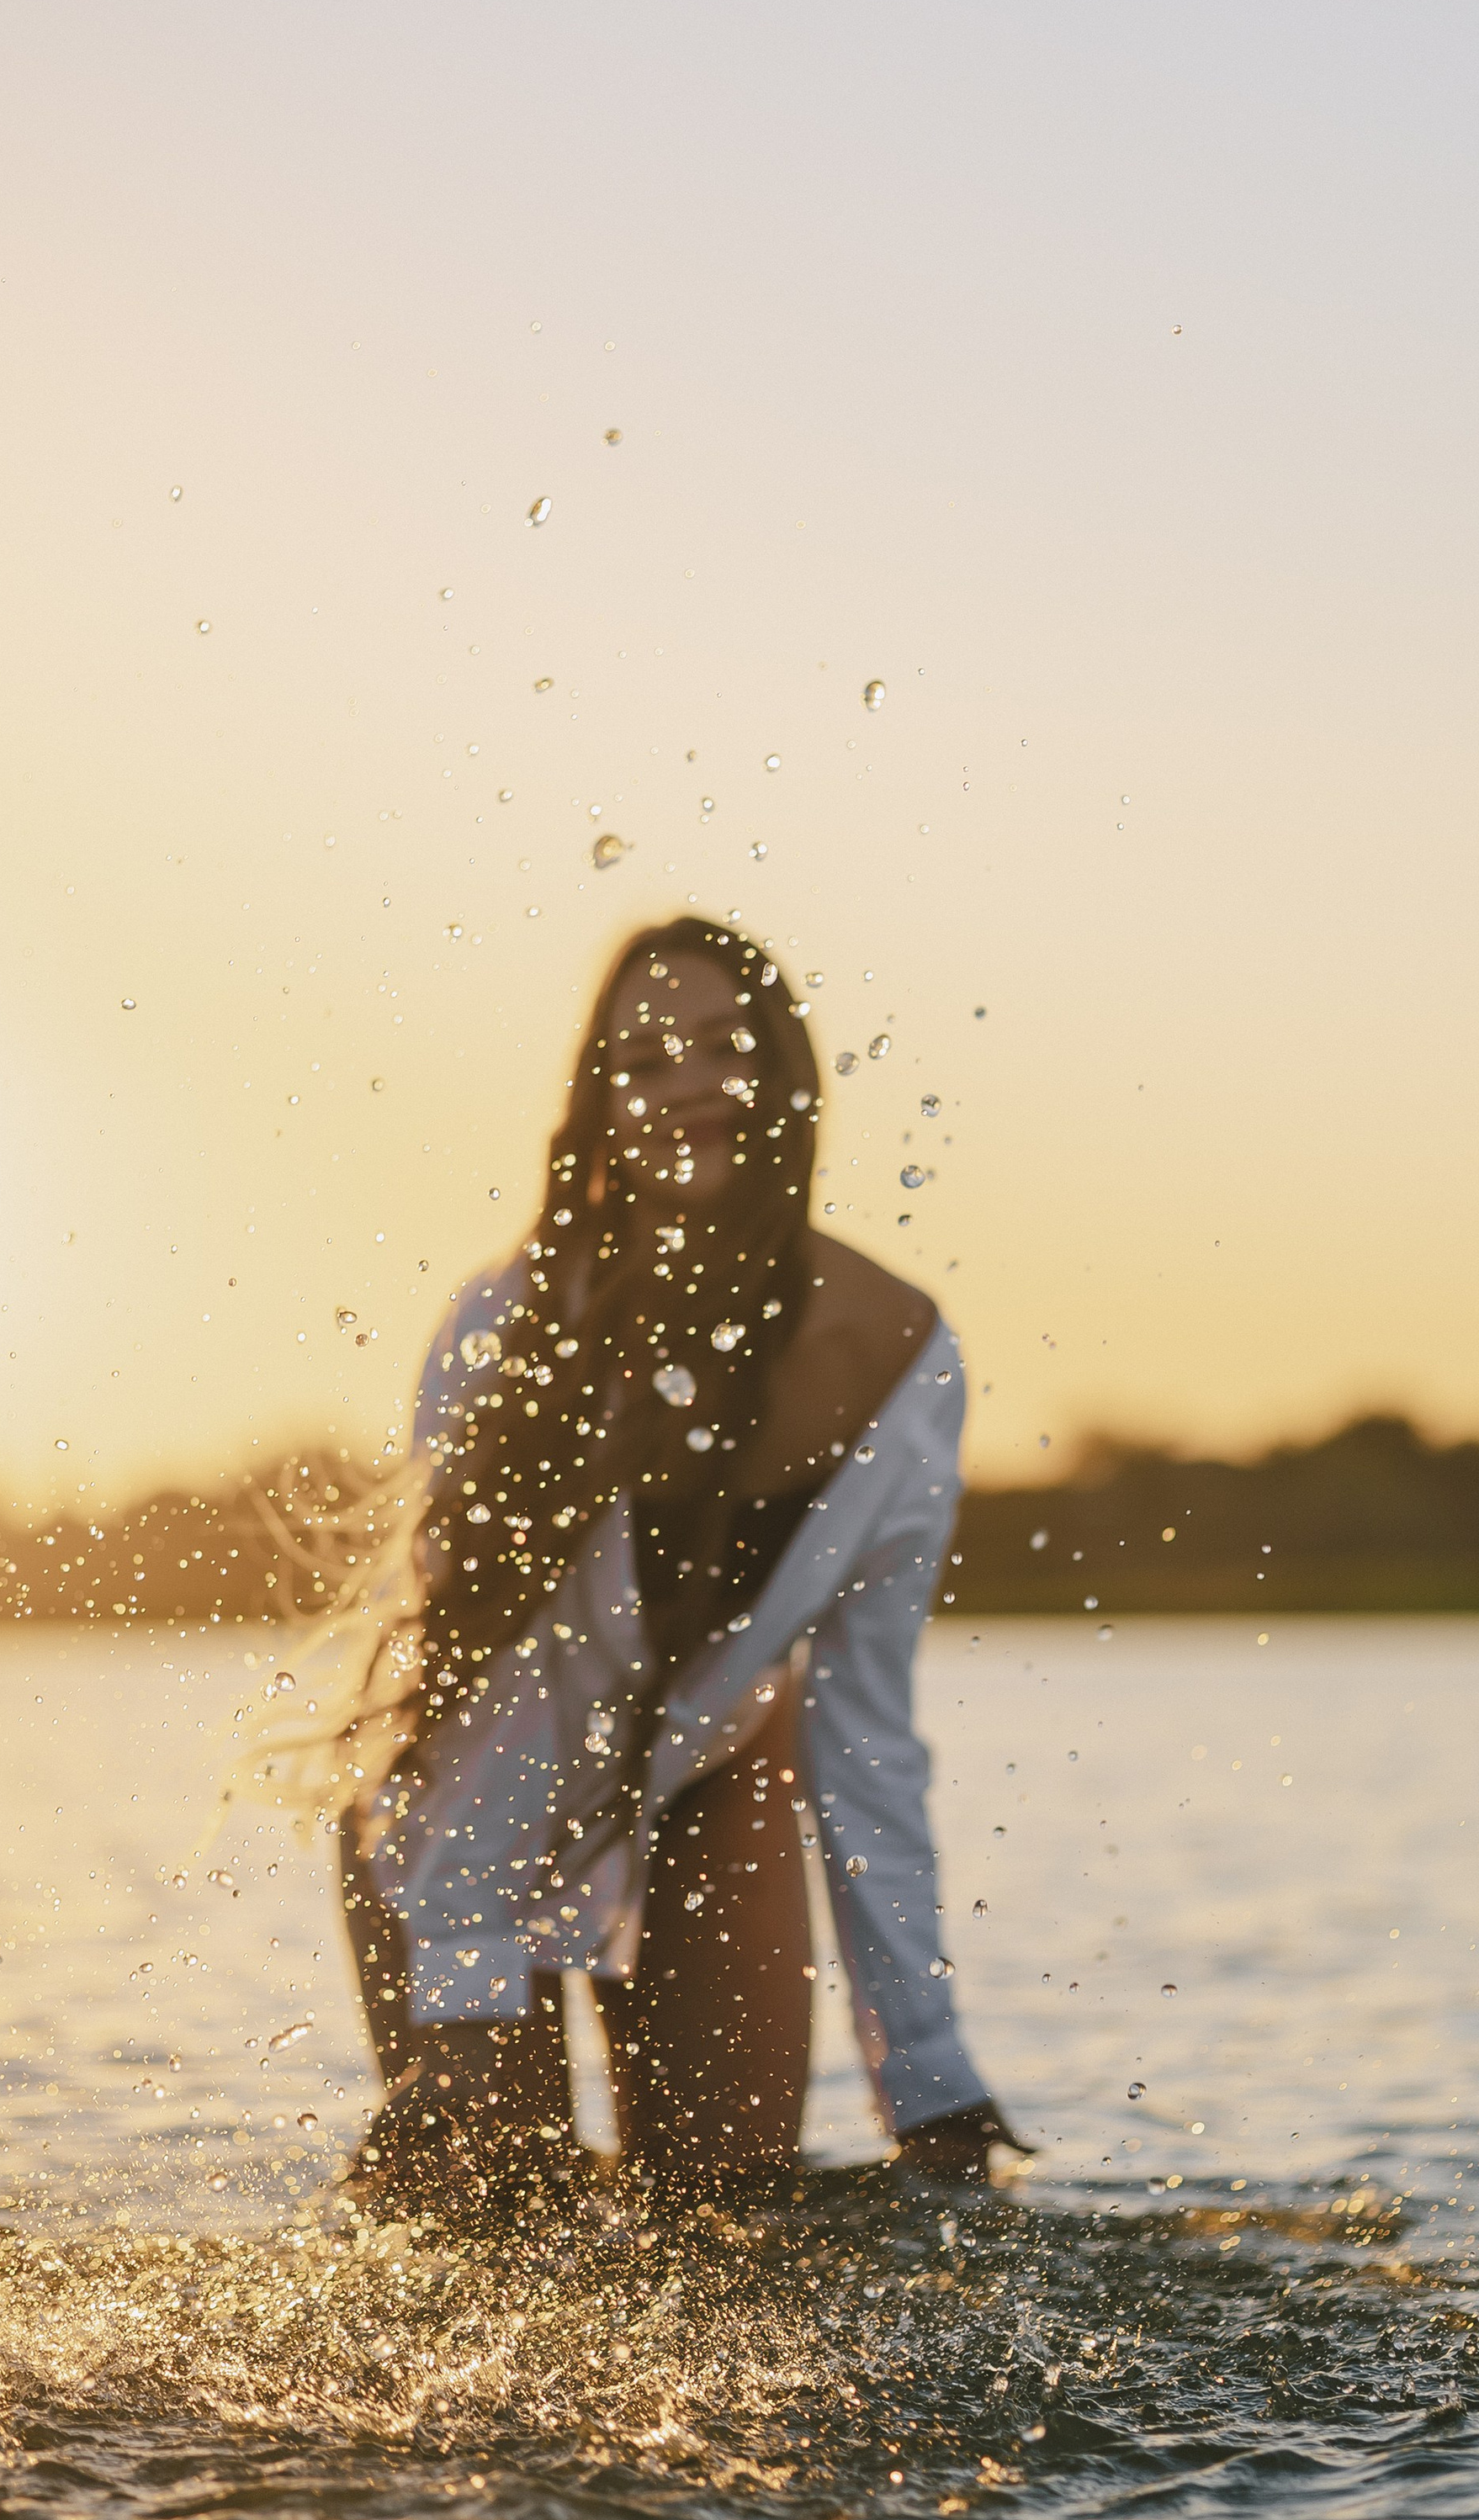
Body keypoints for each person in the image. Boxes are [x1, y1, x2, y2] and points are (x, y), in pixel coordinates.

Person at [335, 915, 1021, 2214]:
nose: (688, 1083)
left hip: (708, 1782)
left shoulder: (904, 1362)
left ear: (791, 1078)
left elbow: (868, 1741)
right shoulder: (508, 1326)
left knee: (729, 2224)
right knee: (500, 2225)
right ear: (600, 1107)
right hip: (462, 1830)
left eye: (724, 1046)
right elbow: (470, 1725)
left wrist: (935, 2086)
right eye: (644, 1059)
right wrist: (459, 2033)